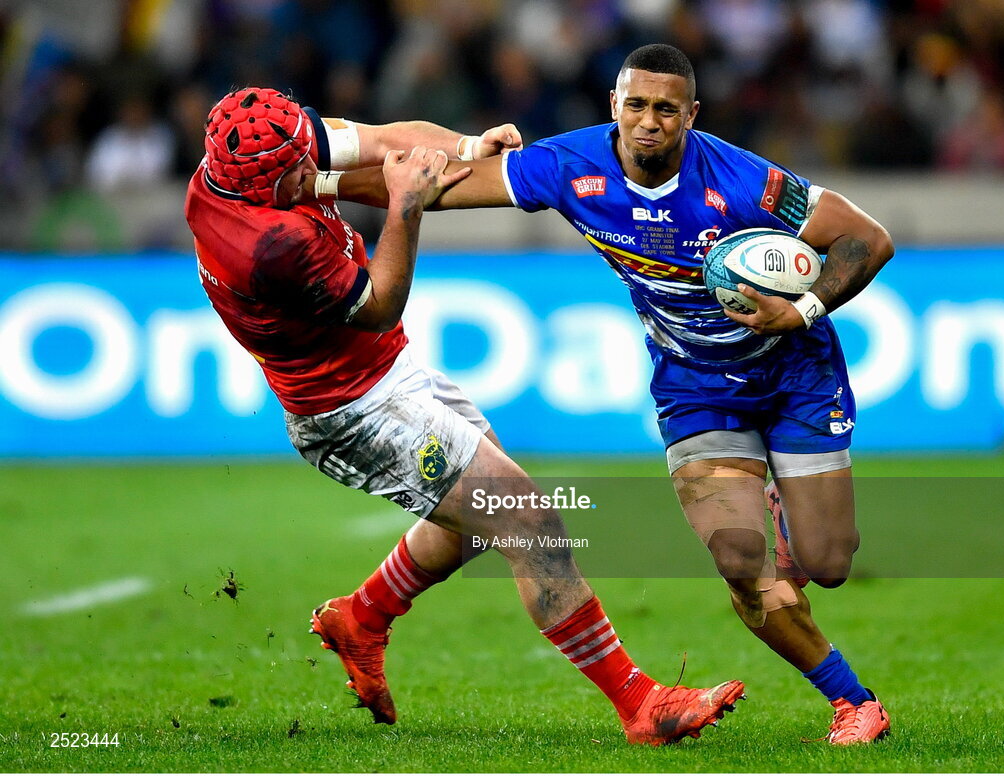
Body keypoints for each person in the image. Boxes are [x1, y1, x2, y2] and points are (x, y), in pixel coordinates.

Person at [330, 44, 894, 745]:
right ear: (614, 107)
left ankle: (783, 508)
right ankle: (855, 702)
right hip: (696, 388)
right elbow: (433, 182)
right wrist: (314, 187)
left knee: (829, 563)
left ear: (691, 115)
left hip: (796, 374)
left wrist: (800, 310)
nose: (649, 122)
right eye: (636, 105)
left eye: (665, 109)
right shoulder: (570, 165)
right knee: (744, 565)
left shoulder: (746, 181)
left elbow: (866, 239)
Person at [183, 86, 746, 745]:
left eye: (308, 157)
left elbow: (384, 137)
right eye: (298, 176)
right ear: (261, 191)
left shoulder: (249, 153)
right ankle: (640, 703)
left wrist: (465, 147)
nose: (314, 174)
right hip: (350, 410)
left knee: (476, 521)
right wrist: (407, 203)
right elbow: (380, 303)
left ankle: (362, 617)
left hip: (385, 372)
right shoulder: (268, 247)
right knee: (527, 519)